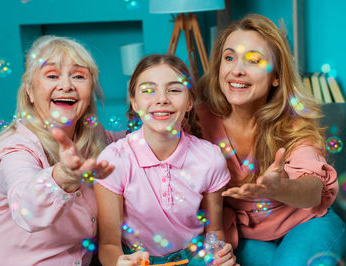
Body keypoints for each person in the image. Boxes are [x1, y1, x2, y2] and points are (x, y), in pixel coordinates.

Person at [0, 35, 121, 266]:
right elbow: (26, 209)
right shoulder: (15, 147)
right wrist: (62, 178)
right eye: (52, 75)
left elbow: (130, 144)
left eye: (79, 76)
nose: (66, 85)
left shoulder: (93, 138)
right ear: (29, 91)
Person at [196, 14, 346, 265]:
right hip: (244, 235)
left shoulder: (293, 122)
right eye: (229, 58)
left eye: (254, 60)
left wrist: (281, 188)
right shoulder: (196, 122)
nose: (237, 70)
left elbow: (312, 189)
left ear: (276, 76)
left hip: (306, 222)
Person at [95, 54, 238, 265]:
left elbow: (214, 230)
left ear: (189, 102)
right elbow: (109, 244)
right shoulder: (114, 160)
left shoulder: (210, 158)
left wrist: (219, 255)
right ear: (134, 102)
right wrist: (119, 262)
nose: (162, 99)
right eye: (148, 90)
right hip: (137, 260)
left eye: (174, 89)